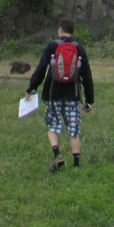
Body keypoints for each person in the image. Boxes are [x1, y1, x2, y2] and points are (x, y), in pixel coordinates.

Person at [25, 18, 95, 171]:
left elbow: (41, 69)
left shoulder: (52, 46)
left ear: (60, 30)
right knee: (73, 129)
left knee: (52, 126)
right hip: (73, 95)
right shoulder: (79, 48)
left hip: (53, 93)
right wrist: (89, 100)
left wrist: (31, 88)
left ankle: (57, 155)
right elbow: (87, 76)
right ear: (72, 31)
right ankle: (76, 164)